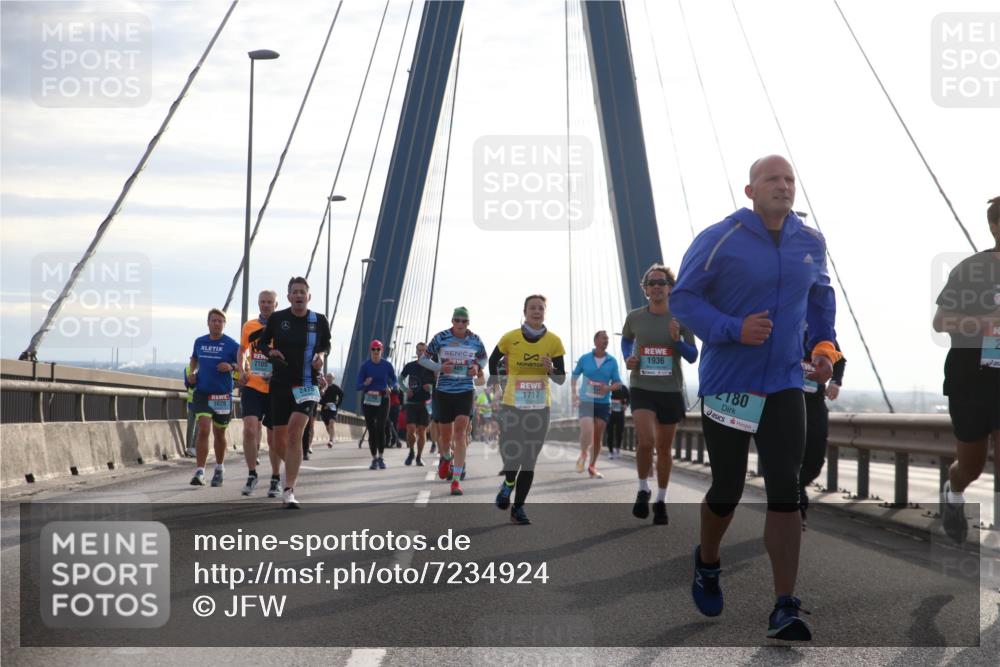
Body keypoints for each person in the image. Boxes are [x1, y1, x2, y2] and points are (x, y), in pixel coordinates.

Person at [671, 155, 841, 641]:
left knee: (784, 489)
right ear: (750, 190)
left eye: (789, 179)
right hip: (730, 383)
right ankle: (706, 561)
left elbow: (820, 299)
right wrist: (732, 329)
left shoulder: (811, 242)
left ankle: (784, 605)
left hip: (787, 381)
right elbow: (683, 299)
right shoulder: (720, 238)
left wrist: (824, 347)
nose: (783, 187)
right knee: (726, 489)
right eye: (773, 179)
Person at [934, 196, 1000, 544]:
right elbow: (940, 321)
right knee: (970, 467)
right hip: (970, 381)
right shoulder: (972, 270)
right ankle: (953, 490)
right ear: (994, 226)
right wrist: (983, 323)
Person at [621, 265, 698, 525]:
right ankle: (643, 488)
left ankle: (661, 499)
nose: (656, 286)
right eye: (651, 283)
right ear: (644, 289)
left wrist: (677, 340)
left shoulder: (682, 317)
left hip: (670, 390)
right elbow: (625, 340)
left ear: (670, 287)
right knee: (645, 442)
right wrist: (627, 358)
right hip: (642, 387)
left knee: (664, 448)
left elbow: (692, 356)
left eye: (661, 282)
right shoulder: (634, 317)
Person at [252, 277, 331, 509]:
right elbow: (262, 345)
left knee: (296, 430)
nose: (298, 296)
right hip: (280, 384)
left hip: (308, 383)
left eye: (302, 292)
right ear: (288, 297)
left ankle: (289, 490)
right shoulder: (278, 319)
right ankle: (293, 466)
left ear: (309, 296)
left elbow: (326, 345)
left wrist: (322, 357)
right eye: (294, 292)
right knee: (278, 442)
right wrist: (271, 352)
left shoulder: (319, 320)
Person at [489, 294, 567, 524]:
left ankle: (518, 508)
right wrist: (496, 383)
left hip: (540, 407)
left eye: (540, 308)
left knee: (530, 459)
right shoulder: (509, 338)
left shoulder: (554, 342)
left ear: (545, 312)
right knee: (515, 452)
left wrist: (551, 369)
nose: (536, 311)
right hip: (513, 405)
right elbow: (493, 361)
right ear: (524, 312)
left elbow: (561, 379)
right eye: (532, 308)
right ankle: (508, 483)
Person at [421, 307, 489, 496]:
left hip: (465, 391)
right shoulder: (440, 338)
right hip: (444, 391)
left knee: (460, 434)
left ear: (468, 323)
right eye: (457, 321)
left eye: (463, 321)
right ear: (452, 321)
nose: (460, 324)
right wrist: (440, 367)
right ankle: (445, 457)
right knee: (445, 437)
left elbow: (484, 358)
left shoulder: (475, 340)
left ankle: (456, 481)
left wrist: (476, 366)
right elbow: (423, 359)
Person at [187, 308, 240, 487]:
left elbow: (244, 365)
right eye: (213, 320)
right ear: (208, 322)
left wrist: (231, 366)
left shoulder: (232, 344)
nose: (216, 323)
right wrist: (193, 372)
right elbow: (194, 359)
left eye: (220, 321)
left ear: (224, 324)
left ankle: (219, 468)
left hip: (222, 395)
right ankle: (200, 471)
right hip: (202, 392)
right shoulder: (199, 342)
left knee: (219, 433)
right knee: (203, 428)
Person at [798, 334, 846, 528]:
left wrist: (835, 382)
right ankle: (796, 511)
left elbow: (839, 358)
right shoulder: (782, 320)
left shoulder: (819, 330)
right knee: (790, 460)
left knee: (816, 460)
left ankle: (796, 488)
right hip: (787, 400)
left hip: (815, 403)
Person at [238, 289, 278, 496]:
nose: (265, 305)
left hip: (274, 389)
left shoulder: (282, 327)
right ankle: (252, 474)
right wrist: (241, 369)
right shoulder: (249, 326)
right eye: (262, 301)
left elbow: (290, 355)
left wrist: (277, 372)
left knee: (273, 438)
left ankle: (276, 478)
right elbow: (242, 350)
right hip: (253, 386)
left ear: (276, 305)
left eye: (269, 302)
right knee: (250, 430)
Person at [571, 330, 623, 479]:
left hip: (603, 403)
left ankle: (592, 466)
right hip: (586, 400)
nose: (606, 341)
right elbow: (574, 377)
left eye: (607, 339)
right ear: (595, 341)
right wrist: (574, 394)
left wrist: (608, 388)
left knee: (597, 436)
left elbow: (618, 383)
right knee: (587, 430)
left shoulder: (612, 361)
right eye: (603, 338)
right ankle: (583, 453)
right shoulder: (585, 359)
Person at [356, 340, 397, 469]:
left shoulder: (387, 365)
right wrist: (365, 384)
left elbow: (394, 380)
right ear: (370, 351)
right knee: (371, 429)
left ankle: (381, 457)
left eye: (378, 349)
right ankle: (374, 458)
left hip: (383, 398)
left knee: (380, 427)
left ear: (382, 350)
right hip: (368, 399)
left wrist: (390, 387)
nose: (375, 352)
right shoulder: (365, 366)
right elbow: (357, 385)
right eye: (373, 349)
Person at [400, 342, 435, 466]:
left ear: (427, 352)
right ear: (416, 351)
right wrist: (405, 390)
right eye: (419, 350)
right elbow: (400, 379)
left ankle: (419, 457)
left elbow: (437, 383)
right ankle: (411, 452)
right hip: (412, 402)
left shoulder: (432, 367)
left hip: (426, 403)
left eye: (423, 350)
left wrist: (430, 387)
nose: (421, 352)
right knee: (410, 430)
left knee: (421, 431)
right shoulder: (410, 366)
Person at [606, 384, 630, 459]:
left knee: (619, 431)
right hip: (610, 413)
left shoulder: (623, 387)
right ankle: (610, 451)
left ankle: (617, 449)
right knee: (610, 432)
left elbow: (629, 398)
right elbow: (603, 397)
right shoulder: (608, 386)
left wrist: (626, 405)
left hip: (620, 412)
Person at [320, 373, 344, 447]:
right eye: (328, 377)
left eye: (331, 377)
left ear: (333, 379)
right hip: (324, 409)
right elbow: (317, 397)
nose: (329, 378)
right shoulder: (322, 388)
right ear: (325, 378)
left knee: (331, 423)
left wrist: (336, 405)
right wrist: (324, 404)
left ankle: (331, 440)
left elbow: (341, 396)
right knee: (327, 426)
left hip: (333, 409)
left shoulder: (336, 388)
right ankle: (332, 437)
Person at [183, 363, 197, 457]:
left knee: (193, 426)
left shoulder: (187, 369)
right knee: (195, 426)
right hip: (197, 401)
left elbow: (187, 384)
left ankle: (191, 448)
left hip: (194, 401)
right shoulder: (188, 369)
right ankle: (191, 448)